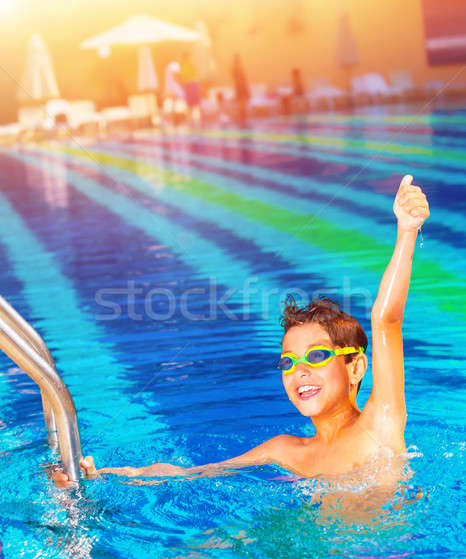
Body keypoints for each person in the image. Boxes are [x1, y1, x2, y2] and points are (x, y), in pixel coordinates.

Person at [54, 176, 429, 487]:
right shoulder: (285, 451)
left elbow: (386, 319)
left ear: (356, 368)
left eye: (316, 356)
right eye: (288, 361)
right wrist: (98, 475)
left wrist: (406, 231)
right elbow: (191, 474)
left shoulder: (379, 424)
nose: (300, 371)